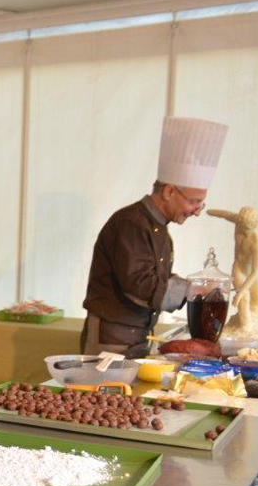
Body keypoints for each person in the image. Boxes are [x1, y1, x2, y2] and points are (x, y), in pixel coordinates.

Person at [80, 116, 228, 357]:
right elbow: (140, 284)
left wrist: (195, 288)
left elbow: (158, 279)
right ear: (169, 191)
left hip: (137, 336)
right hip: (112, 339)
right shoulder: (131, 223)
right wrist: (195, 288)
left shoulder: (158, 227)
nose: (197, 211)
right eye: (194, 202)